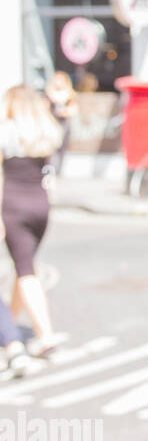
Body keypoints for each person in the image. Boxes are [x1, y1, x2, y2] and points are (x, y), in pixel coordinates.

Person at [0, 86, 63, 358]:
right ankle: (9, 328)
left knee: (26, 272)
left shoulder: (6, 132)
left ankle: (45, 336)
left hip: (14, 209)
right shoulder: (44, 131)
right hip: (41, 206)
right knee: (23, 266)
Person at [44, 71, 78, 177]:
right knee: (50, 148)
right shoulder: (48, 95)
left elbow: (73, 109)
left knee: (62, 148)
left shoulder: (70, 95)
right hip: (51, 123)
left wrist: (65, 112)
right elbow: (43, 109)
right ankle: (49, 169)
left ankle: (59, 171)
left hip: (64, 123)